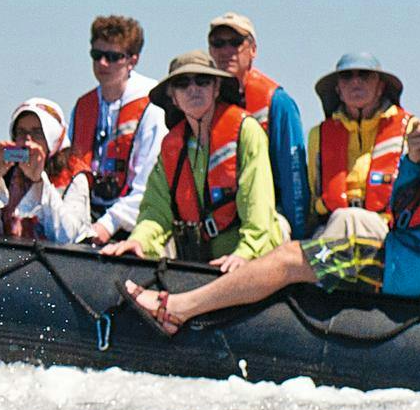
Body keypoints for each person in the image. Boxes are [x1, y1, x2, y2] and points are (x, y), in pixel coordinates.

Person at [125, 81, 420, 333]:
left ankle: (177, 308)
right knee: (296, 255)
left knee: (291, 258)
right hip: (407, 255)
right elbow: (406, 211)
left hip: (419, 270)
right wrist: (414, 163)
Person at [98, 53, 283, 266]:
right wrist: (139, 240)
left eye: (203, 81)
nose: (193, 88)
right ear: (173, 97)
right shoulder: (171, 147)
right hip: (200, 260)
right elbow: (156, 211)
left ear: (216, 88)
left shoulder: (246, 131)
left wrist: (244, 253)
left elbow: (257, 202)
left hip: (253, 256)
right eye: (182, 83)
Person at [204, 12, 314, 240]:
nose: (226, 51)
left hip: (269, 214)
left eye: (235, 43)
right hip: (217, 217)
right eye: (218, 43)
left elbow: (294, 178)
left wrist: (298, 240)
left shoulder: (278, 103)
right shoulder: (201, 101)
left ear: (253, 49)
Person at [67, 14, 166, 240]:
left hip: (134, 224)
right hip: (88, 218)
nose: (103, 63)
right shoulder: (83, 106)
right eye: (97, 55)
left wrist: (107, 225)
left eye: (113, 57)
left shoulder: (153, 106)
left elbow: (149, 184)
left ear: (133, 60)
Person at [0, 98, 95, 243]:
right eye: (21, 132)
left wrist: (39, 181)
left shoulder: (74, 177)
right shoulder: (7, 172)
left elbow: (69, 237)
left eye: (37, 133)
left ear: (54, 138)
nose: (27, 141)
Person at [309, 54, 413, 224]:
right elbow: (313, 192)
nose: (355, 82)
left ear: (380, 87)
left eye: (364, 75)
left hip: (386, 229)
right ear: (338, 91)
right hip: (330, 226)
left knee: (346, 218)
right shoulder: (318, 134)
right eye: (347, 76)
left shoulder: (410, 128)